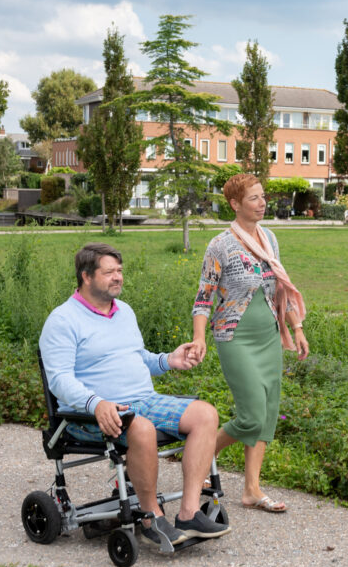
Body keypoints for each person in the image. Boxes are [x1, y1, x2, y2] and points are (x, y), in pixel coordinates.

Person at [39, 242, 230, 548]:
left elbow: (137, 356)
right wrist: (96, 402)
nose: (118, 277)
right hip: (89, 413)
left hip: (142, 399)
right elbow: (59, 379)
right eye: (109, 272)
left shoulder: (124, 311)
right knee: (140, 426)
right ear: (86, 276)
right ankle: (151, 516)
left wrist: (169, 360)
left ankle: (190, 512)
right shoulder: (62, 321)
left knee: (205, 414)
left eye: (120, 271)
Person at [191, 173, 309, 513]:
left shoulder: (269, 238)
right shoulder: (220, 245)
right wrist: (199, 339)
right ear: (235, 204)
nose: (262, 203)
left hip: (269, 336)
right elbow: (203, 300)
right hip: (235, 337)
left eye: (262, 197)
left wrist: (296, 328)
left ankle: (252, 489)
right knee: (252, 415)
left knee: (268, 412)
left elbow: (281, 289)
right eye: (254, 198)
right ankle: (203, 452)